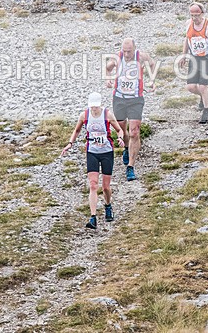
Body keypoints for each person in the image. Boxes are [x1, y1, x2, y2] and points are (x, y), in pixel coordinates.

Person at [61, 92, 125, 230]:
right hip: (92, 152)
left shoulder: (107, 115)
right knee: (93, 185)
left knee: (106, 187)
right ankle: (93, 217)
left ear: (100, 105)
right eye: (92, 107)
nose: (94, 109)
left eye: (96, 106)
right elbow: (76, 131)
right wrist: (70, 144)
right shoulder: (84, 115)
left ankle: (108, 205)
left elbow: (119, 130)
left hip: (107, 152)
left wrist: (120, 138)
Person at [104, 38, 155, 181]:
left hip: (135, 99)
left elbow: (152, 64)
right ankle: (127, 147)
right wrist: (107, 79)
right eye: (124, 51)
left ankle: (130, 167)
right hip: (119, 98)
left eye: (129, 51)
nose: (126, 54)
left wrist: (152, 80)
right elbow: (107, 68)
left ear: (135, 49)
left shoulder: (141, 57)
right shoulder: (117, 57)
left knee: (134, 132)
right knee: (121, 129)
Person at [178, 2, 208, 124]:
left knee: (203, 86)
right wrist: (184, 55)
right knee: (191, 87)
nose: (194, 18)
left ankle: (206, 111)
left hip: (206, 60)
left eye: (197, 15)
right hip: (194, 59)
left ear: (202, 13)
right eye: (192, 15)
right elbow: (187, 39)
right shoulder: (188, 24)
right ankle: (206, 96)